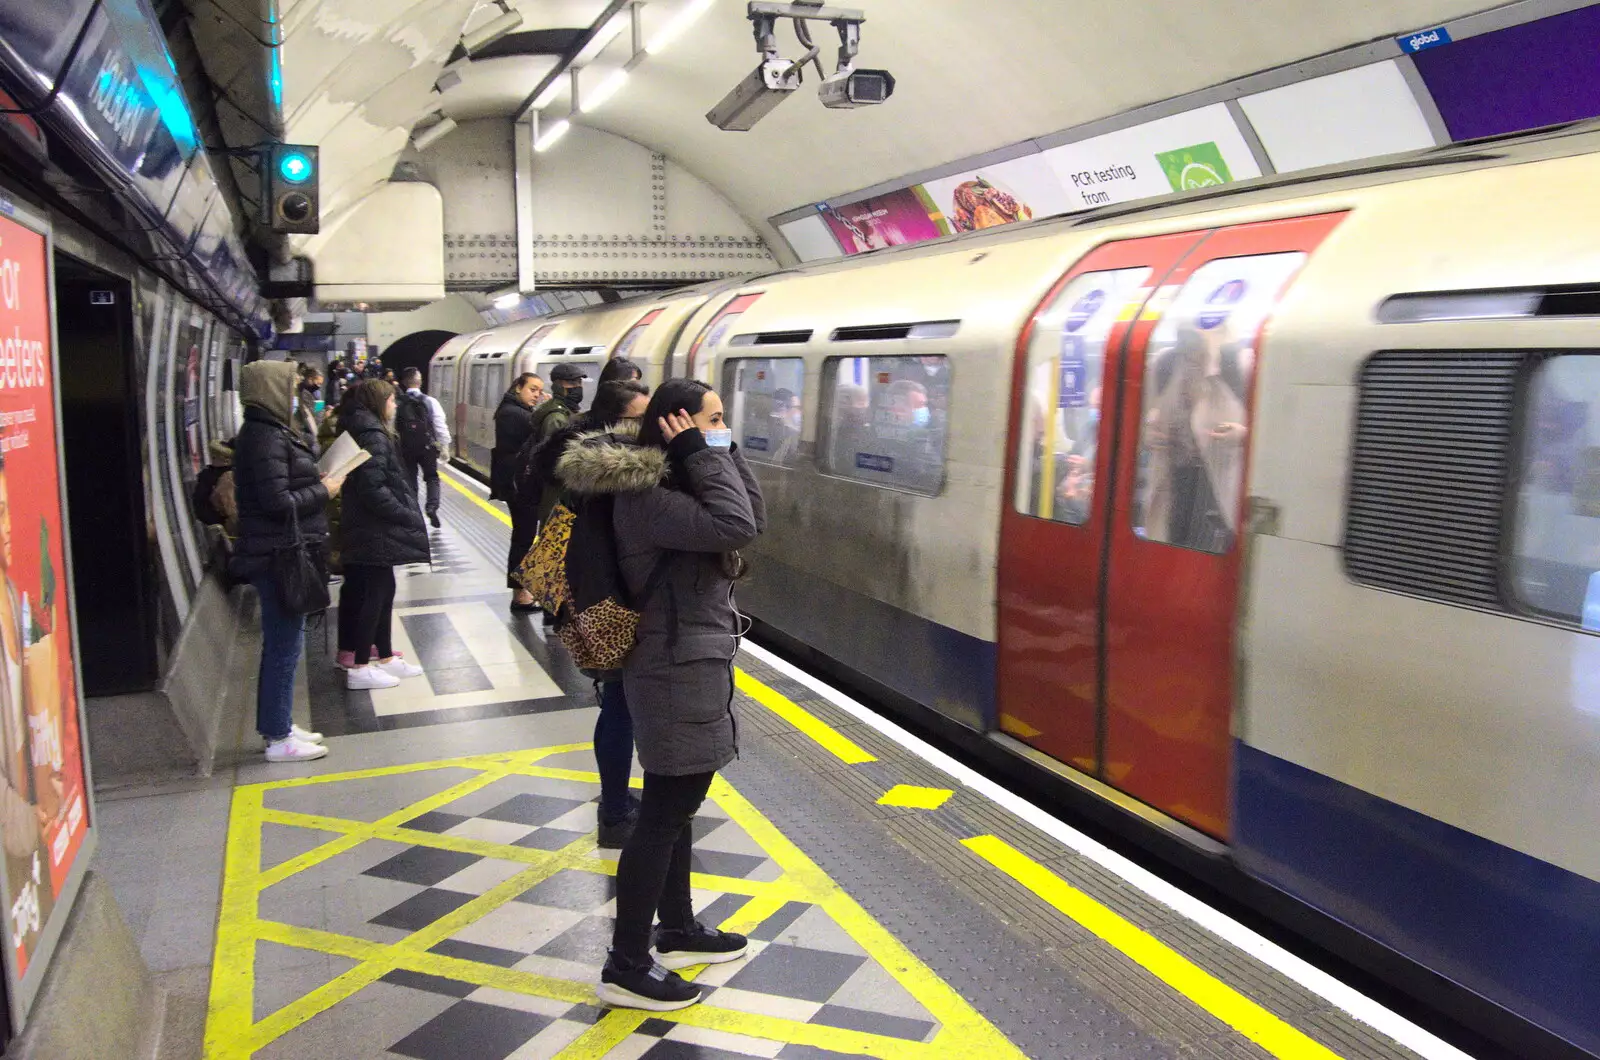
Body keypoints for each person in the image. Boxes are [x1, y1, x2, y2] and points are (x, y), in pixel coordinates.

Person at [594, 378, 765, 1011]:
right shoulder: (645, 497)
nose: (722, 429)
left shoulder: (676, 482)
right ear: (677, 426)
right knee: (663, 813)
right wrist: (705, 452)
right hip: (670, 666)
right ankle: (627, 964)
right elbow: (736, 524)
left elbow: (755, 517)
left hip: (689, 657)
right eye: (712, 419)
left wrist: (722, 448)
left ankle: (678, 927)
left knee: (678, 803)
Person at [535, 380, 651, 847]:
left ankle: (615, 801)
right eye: (640, 419)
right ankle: (616, 811)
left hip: (588, 598)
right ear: (619, 422)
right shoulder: (616, 478)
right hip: (608, 602)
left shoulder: (583, 468)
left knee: (616, 703)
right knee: (621, 706)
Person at [231, 361, 346, 763]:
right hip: (277, 553)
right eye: (291, 382)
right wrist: (324, 489)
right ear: (271, 388)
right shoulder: (264, 437)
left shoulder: (270, 431)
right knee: (284, 644)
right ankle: (278, 739)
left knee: (285, 643)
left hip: (279, 549)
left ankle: (277, 724)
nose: (298, 387)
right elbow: (277, 502)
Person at [333, 380, 429, 689]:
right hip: (372, 527)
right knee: (374, 594)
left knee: (383, 588)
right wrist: (403, 514)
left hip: (365, 525)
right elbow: (373, 488)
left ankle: (385, 656)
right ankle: (361, 667)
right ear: (380, 402)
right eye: (391, 400)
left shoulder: (362, 427)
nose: (396, 405)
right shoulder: (373, 434)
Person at [492, 372, 543, 613]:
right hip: (519, 484)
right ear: (517, 388)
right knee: (523, 538)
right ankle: (520, 595)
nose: (537, 395)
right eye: (533, 389)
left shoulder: (510, 409)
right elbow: (540, 431)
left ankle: (521, 592)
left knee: (522, 536)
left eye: (540, 391)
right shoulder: (513, 414)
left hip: (517, 482)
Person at [396, 367, 452, 529]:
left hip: (406, 448)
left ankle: (414, 512)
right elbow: (440, 425)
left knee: (410, 478)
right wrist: (445, 446)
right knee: (432, 477)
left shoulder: (398, 402)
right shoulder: (430, 401)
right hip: (427, 447)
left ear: (404, 382)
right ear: (419, 382)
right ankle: (432, 507)